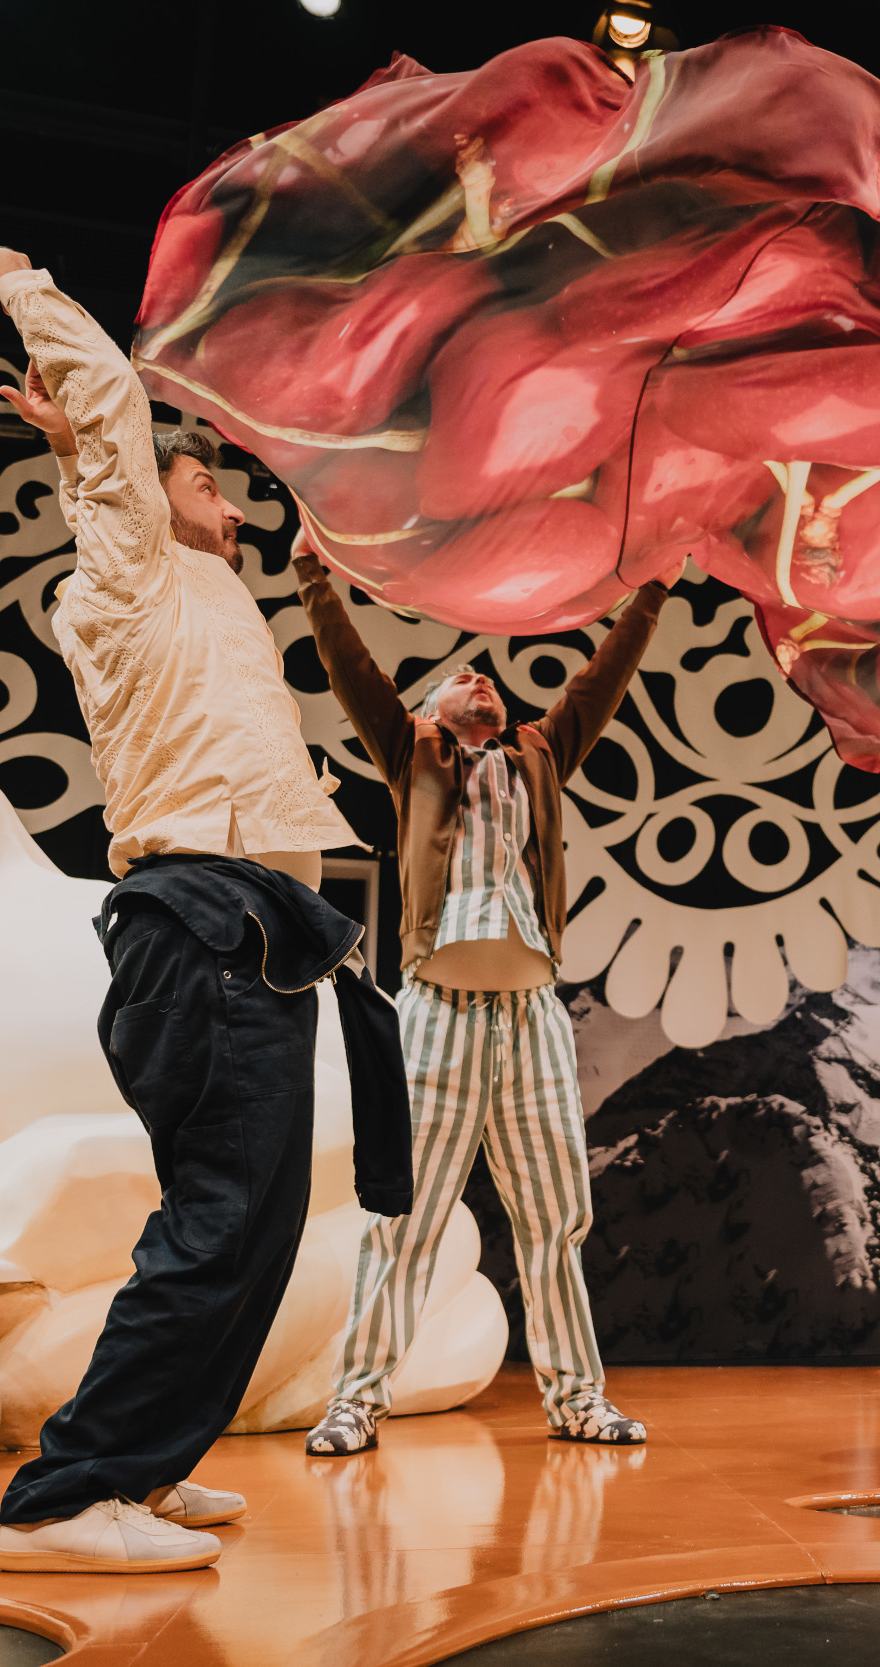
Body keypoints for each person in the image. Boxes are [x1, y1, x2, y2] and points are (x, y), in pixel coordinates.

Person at [0, 246, 410, 1574]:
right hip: (205, 929)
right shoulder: (136, 573)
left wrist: (89, 441)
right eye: (210, 483)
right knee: (215, 1221)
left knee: (248, 1230)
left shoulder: (207, 595)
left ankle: (145, 1459)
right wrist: (31, 293)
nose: (232, 507)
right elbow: (120, 440)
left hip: (253, 942)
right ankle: (67, 1496)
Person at [292, 527, 665, 1454]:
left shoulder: (539, 752)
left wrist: (651, 590)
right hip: (439, 1009)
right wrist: (311, 571)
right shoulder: (413, 752)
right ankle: (357, 1401)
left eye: (492, 675)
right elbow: (351, 670)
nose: (481, 674)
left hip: (530, 1009)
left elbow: (600, 680)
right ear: (429, 709)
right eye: (462, 676)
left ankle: (577, 1399)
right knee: (404, 1220)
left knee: (553, 1217)